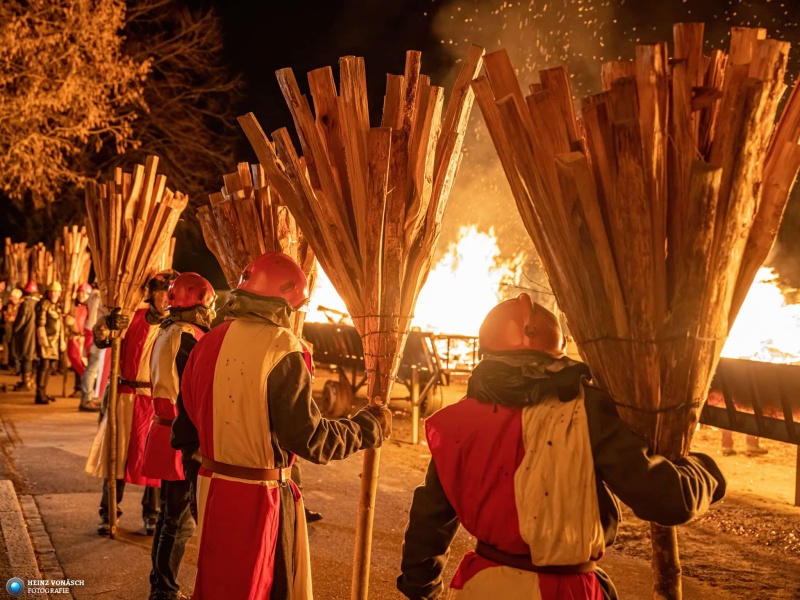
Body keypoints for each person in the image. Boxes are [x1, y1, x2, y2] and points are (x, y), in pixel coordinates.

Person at [397, 294, 727, 600]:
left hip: (481, 589)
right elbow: (667, 498)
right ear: (550, 343)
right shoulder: (585, 411)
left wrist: (421, 588)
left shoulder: (456, 422)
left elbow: (430, 520)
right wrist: (707, 472)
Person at [174, 252, 390, 600]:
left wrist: (199, 485)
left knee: (218, 587)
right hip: (262, 499)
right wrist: (368, 427)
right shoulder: (283, 348)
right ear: (287, 305)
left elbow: (185, 431)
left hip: (209, 490)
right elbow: (310, 437)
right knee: (264, 588)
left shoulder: (206, 342)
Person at [85, 270, 178, 535]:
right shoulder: (132, 317)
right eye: (162, 292)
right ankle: (108, 513)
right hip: (124, 396)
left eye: (170, 293)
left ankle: (152, 514)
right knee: (116, 455)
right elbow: (102, 339)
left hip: (155, 400)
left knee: (153, 457)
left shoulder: (174, 326)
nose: (165, 298)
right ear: (152, 294)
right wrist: (108, 322)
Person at [144, 272, 216, 600]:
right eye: (208, 307)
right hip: (181, 434)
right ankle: (164, 590)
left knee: (169, 518)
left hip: (165, 429)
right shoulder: (187, 336)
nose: (210, 314)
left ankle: (160, 585)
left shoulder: (167, 330)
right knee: (179, 521)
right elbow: (195, 390)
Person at [34, 282, 65, 404]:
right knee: (44, 366)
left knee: (50, 367)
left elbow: (60, 325)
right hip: (47, 341)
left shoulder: (56, 306)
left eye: (56, 292)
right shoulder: (44, 304)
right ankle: (39, 394)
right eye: (52, 292)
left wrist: (62, 341)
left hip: (55, 342)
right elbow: (40, 323)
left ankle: (43, 392)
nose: (54, 294)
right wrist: (42, 339)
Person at [64, 283, 93, 400]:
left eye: (84, 293)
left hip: (86, 339)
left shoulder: (91, 308)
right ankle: (79, 387)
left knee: (85, 363)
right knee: (75, 361)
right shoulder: (73, 306)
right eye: (80, 292)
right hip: (75, 338)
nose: (81, 295)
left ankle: (86, 387)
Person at [80, 285, 106, 411]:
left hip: (93, 332)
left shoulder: (94, 295)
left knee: (92, 367)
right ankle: (87, 398)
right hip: (96, 333)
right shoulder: (97, 295)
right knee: (92, 368)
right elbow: (94, 316)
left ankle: (89, 396)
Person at [12, 282, 41, 392]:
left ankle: (26, 382)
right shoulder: (39, 303)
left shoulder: (25, 304)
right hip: (37, 335)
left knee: (27, 358)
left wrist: (15, 329)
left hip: (27, 335)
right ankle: (32, 381)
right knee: (35, 358)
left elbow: (21, 321)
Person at [2, 288, 23, 371]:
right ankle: (7, 361)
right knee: (6, 343)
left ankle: (17, 365)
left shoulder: (22, 305)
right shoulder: (9, 305)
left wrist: (14, 318)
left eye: (13, 298)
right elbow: (6, 315)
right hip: (9, 328)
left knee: (16, 347)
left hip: (18, 329)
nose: (11, 299)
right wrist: (8, 317)